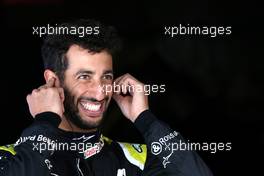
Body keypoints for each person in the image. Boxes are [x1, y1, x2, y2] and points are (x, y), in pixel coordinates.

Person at [0, 19, 213, 176]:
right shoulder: (10, 159)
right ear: (53, 81)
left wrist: (145, 120)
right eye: (85, 77)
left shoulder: (136, 160)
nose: (101, 92)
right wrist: (46, 120)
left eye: (107, 77)